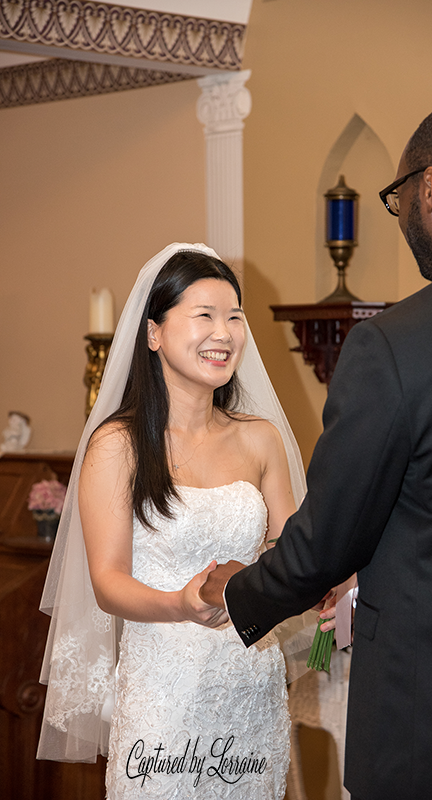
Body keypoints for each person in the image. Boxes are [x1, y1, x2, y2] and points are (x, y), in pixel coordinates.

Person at [201, 96, 432, 800]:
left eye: (399, 195)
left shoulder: (395, 345)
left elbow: (327, 542)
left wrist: (238, 593)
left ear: (431, 186)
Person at [37, 242, 307, 800]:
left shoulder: (260, 439)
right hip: (164, 700)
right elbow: (108, 582)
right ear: (154, 332)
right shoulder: (118, 445)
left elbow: (291, 546)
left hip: (251, 689)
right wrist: (180, 604)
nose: (225, 333)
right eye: (203, 315)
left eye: (234, 316)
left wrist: (320, 580)